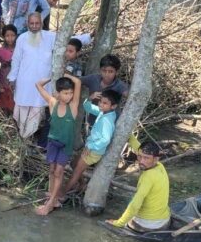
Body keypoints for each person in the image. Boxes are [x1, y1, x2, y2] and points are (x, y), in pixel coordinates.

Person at [58, 89, 121, 200]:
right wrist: (90, 98)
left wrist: (91, 147)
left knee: (76, 171)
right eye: (101, 101)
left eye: (105, 103)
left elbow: (105, 139)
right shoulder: (104, 112)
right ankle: (81, 185)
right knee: (73, 164)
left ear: (113, 106)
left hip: (93, 151)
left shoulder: (107, 120)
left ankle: (61, 194)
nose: (101, 104)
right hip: (90, 148)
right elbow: (88, 107)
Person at [34, 74, 82, 216]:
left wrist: (65, 74)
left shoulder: (73, 107)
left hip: (65, 146)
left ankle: (50, 203)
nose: (69, 96)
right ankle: (52, 196)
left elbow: (78, 81)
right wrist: (51, 77)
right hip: (52, 143)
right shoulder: (53, 103)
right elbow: (38, 85)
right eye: (66, 93)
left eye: (71, 93)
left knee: (59, 172)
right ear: (58, 93)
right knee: (52, 170)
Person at [7, 13, 55, 139]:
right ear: (27, 24)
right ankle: (22, 138)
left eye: (37, 23)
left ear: (42, 23)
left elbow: (70, 39)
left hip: (42, 86)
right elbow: (16, 60)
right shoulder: (22, 38)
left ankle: (27, 138)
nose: (34, 26)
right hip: (24, 83)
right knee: (21, 112)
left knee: (36, 113)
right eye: (31, 23)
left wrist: (89, 36)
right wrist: (12, 78)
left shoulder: (51, 37)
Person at [106, 137, 170, 231]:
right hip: (164, 220)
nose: (141, 161)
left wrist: (119, 223)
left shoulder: (148, 177)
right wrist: (130, 136)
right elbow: (139, 149)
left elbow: (135, 204)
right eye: (139, 156)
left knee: (131, 202)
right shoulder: (159, 166)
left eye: (146, 158)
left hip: (147, 225)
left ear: (155, 159)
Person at [0, 24, 18, 114]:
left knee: (15, 103)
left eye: (12, 35)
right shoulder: (0, 50)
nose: (10, 38)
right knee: (4, 103)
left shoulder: (20, 49)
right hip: (4, 79)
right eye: (7, 36)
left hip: (17, 80)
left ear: (16, 36)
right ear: (4, 37)